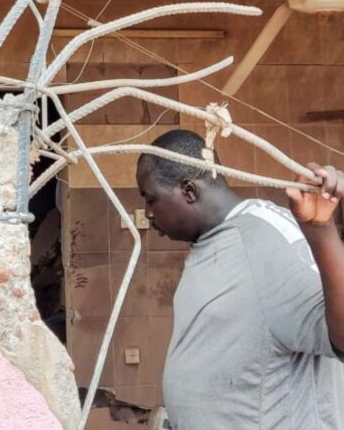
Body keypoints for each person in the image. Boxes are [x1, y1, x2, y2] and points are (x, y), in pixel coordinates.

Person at [135, 129, 344, 430]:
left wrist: (321, 231)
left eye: (151, 199)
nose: (148, 213)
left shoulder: (266, 237)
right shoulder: (213, 241)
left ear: (189, 191)